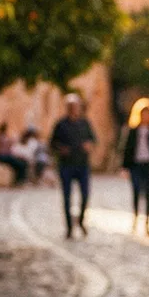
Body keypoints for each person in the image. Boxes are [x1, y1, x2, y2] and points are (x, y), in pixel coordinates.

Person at [50, 94, 98, 238]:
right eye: (71, 106)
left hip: (82, 165)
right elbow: (52, 143)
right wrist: (61, 149)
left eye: (75, 106)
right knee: (67, 198)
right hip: (66, 166)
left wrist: (89, 145)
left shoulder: (85, 123)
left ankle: (81, 221)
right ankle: (69, 227)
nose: (73, 109)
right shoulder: (60, 125)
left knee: (85, 195)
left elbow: (93, 140)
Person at [122, 98, 149, 236]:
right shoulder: (133, 131)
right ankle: (135, 218)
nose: (145, 116)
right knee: (135, 192)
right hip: (136, 165)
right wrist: (124, 167)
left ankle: (147, 222)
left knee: (148, 194)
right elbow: (126, 149)